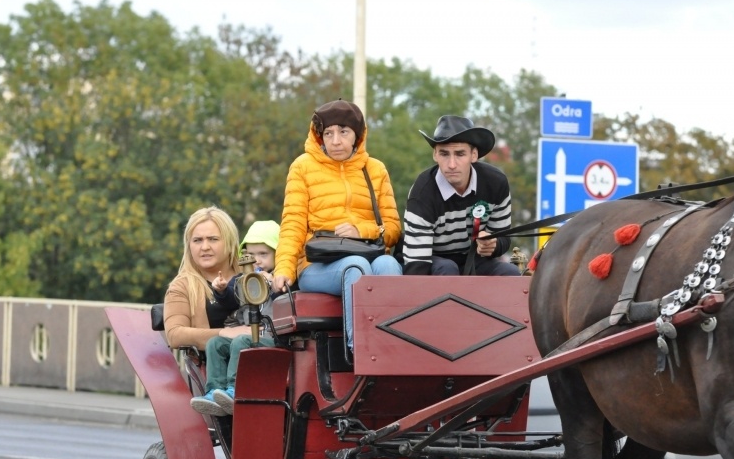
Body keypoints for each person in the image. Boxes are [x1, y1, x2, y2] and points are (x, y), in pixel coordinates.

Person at [272, 99, 402, 348]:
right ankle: (360, 350)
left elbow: (393, 229)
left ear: (357, 135)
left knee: (388, 263)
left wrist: (360, 231)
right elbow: (293, 222)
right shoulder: (302, 167)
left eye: (343, 132)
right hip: (317, 264)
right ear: (319, 136)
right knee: (356, 265)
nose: (335, 140)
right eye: (328, 133)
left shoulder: (375, 169)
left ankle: (392, 348)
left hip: (369, 253)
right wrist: (284, 269)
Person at [402, 115, 520, 276]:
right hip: (432, 262)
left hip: (475, 260)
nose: (451, 164)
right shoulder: (422, 193)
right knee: (448, 268)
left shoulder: (496, 183)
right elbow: (417, 266)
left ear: (474, 155)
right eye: (444, 154)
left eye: (459, 154)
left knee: (510, 272)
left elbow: (503, 239)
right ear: (435, 155)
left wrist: (492, 244)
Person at [190, 220, 282, 417]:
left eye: (263, 254)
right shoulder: (242, 279)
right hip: (249, 334)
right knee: (215, 343)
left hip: (274, 338)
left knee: (241, 340)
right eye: (251, 255)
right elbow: (232, 300)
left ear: (278, 254)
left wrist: (273, 285)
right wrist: (222, 291)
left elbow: (287, 301)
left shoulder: (283, 279)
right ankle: (214, 392)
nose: (257, 260)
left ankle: (234, 389)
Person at [163, 206, 249, 351]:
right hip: (214, 368)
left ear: (230, 241)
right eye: (197, 240)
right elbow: (174, 335)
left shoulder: (252, 275)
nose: (205, 247)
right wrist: (224, 333)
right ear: (189, 245)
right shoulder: (181, 286)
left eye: (213, 239)